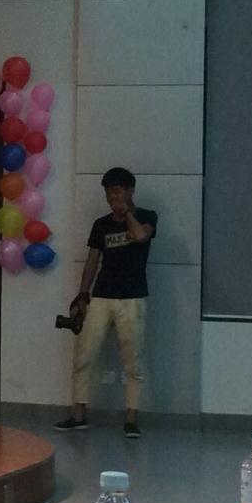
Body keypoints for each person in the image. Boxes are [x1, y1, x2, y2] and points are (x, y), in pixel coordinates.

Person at [55, 167, 158, 438]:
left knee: (133, 361)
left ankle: (131, 418)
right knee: (83, 355)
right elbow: (92, 261)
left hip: (133, 297)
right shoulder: (100, 224)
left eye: (117, 192)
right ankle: (78, 414)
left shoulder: (147, 216)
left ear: (130, 191)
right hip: (102, 295)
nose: (112, 198)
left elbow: (141, 236)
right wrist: (82, 294)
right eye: (108, 194)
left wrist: (127, 214)